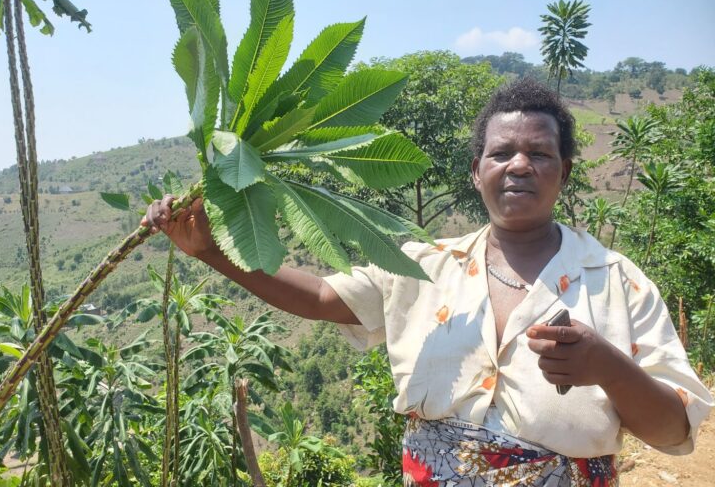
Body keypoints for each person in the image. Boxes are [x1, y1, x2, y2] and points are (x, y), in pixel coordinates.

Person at [143, 78, 712, 486]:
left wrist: (606, 366)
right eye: (501, 152)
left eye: (539, 153)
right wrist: (213, 252)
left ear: (563, 172)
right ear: (476, 171)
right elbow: (319, 296)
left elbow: (671, 431)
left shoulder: (617, 282)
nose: (519, 165)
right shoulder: (423, 266)